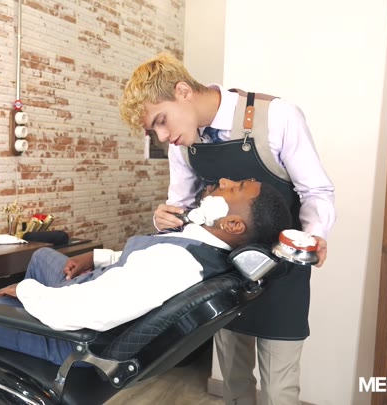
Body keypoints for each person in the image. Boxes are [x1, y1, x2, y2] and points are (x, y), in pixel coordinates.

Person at [118, 53, 336, 405]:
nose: (163, 136)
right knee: (233, 381)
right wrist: (164, 219)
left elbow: (316, 191)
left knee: (279, 390)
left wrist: (314, 234)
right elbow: (184, 210)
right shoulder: (181, 145)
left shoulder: (277, 117)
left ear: (183, 91)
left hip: (284, 273)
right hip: (225, 275)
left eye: (161, 121)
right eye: (153, 130)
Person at [0, 178, 292, 379]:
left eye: (235, 188)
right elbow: (141, 271)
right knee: (43, 255)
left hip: (71, 340)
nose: (223, 180)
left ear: (233, 224)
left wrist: (28, 292)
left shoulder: (176, 263)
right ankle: (3, 348)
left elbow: (91, 310)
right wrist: (98, 258)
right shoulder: (202, 249)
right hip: (87, 303)